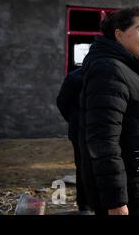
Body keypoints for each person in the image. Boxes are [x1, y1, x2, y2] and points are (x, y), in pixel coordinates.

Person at [79, 4, 139, 215]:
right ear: (119, 35)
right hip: (128, 194)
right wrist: (116, 202)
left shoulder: (136, 71)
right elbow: (104, 142)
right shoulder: (109, 70)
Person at [56, 67, 92, 215]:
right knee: (88, 167)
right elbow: (62, 102)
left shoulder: (75, 76)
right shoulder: (76, 77)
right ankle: (85, 205)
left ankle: (85, 206)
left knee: (83, 167)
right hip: (87, 130)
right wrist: (73, 119)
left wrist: (73, 120)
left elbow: (62, 102)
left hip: (81, 130)